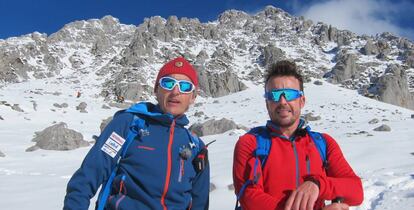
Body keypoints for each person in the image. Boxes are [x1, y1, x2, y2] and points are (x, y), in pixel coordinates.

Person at [64, 57, 210, 210]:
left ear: (193, 97)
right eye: (167, 83)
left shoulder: (196, 147)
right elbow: (89, 174)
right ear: (156, 90)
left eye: (185, 86)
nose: (175, 92)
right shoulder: (128, 125)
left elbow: (199, 202)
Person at [232, 60, 363, 210]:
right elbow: (249, 198)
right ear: (267, 103)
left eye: (290, 94)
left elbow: (356, 191)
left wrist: (318, 184)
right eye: (274, 95)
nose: (282, 101)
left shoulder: (323, 143)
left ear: (302, 101)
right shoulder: (251, 143)